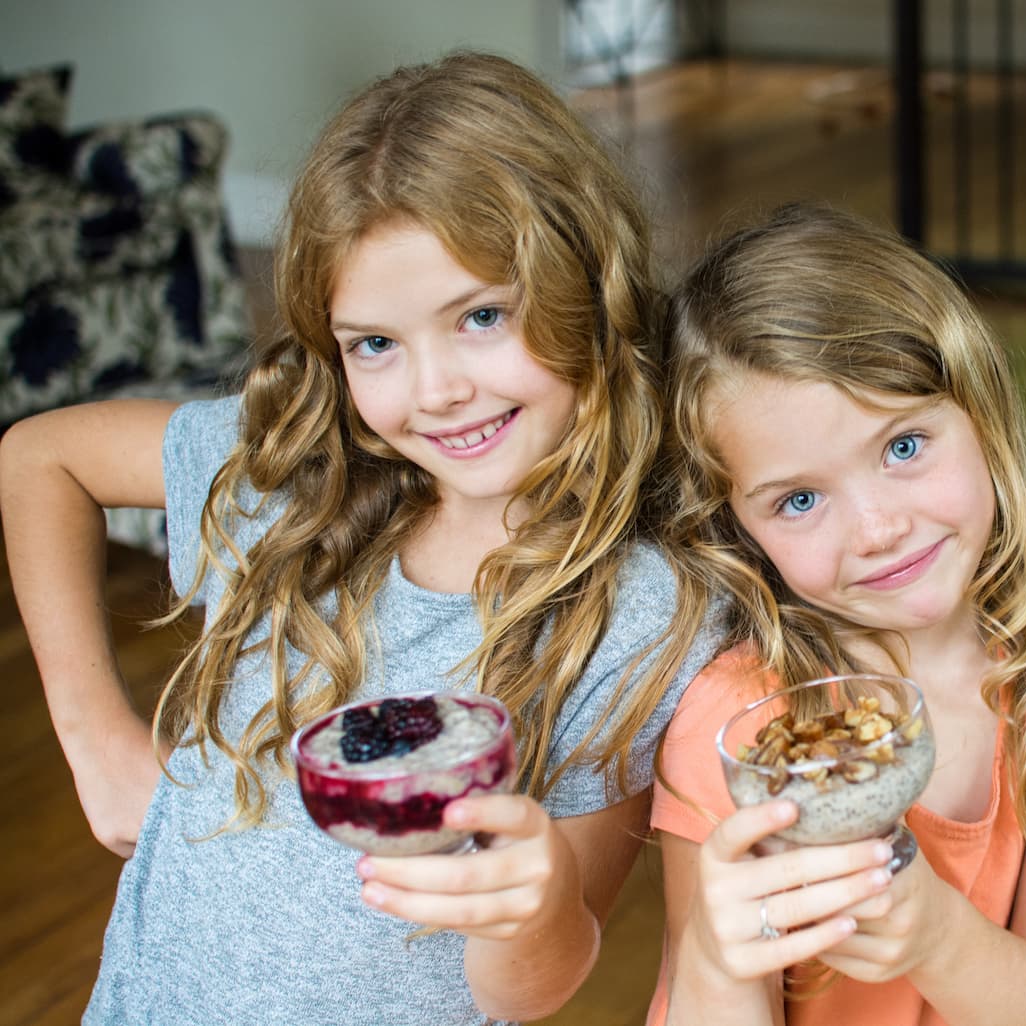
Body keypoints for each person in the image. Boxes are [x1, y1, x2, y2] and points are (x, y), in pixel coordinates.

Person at [0, 51, 720, 1026]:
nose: (435, 391)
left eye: (479, 316)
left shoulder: (636, 610)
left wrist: (534, 903)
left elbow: (537, 984)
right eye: (375, 344)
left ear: (588, 286)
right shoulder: (296, 477)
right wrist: (93, 736)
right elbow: (39, 457)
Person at [648, 202, 1026, 1026]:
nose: (879, 530)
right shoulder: (742, 730)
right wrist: (720, 960)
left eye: (903, 447)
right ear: (737, 525)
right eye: (800, 498)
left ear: (980, 412)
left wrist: (940, 940)